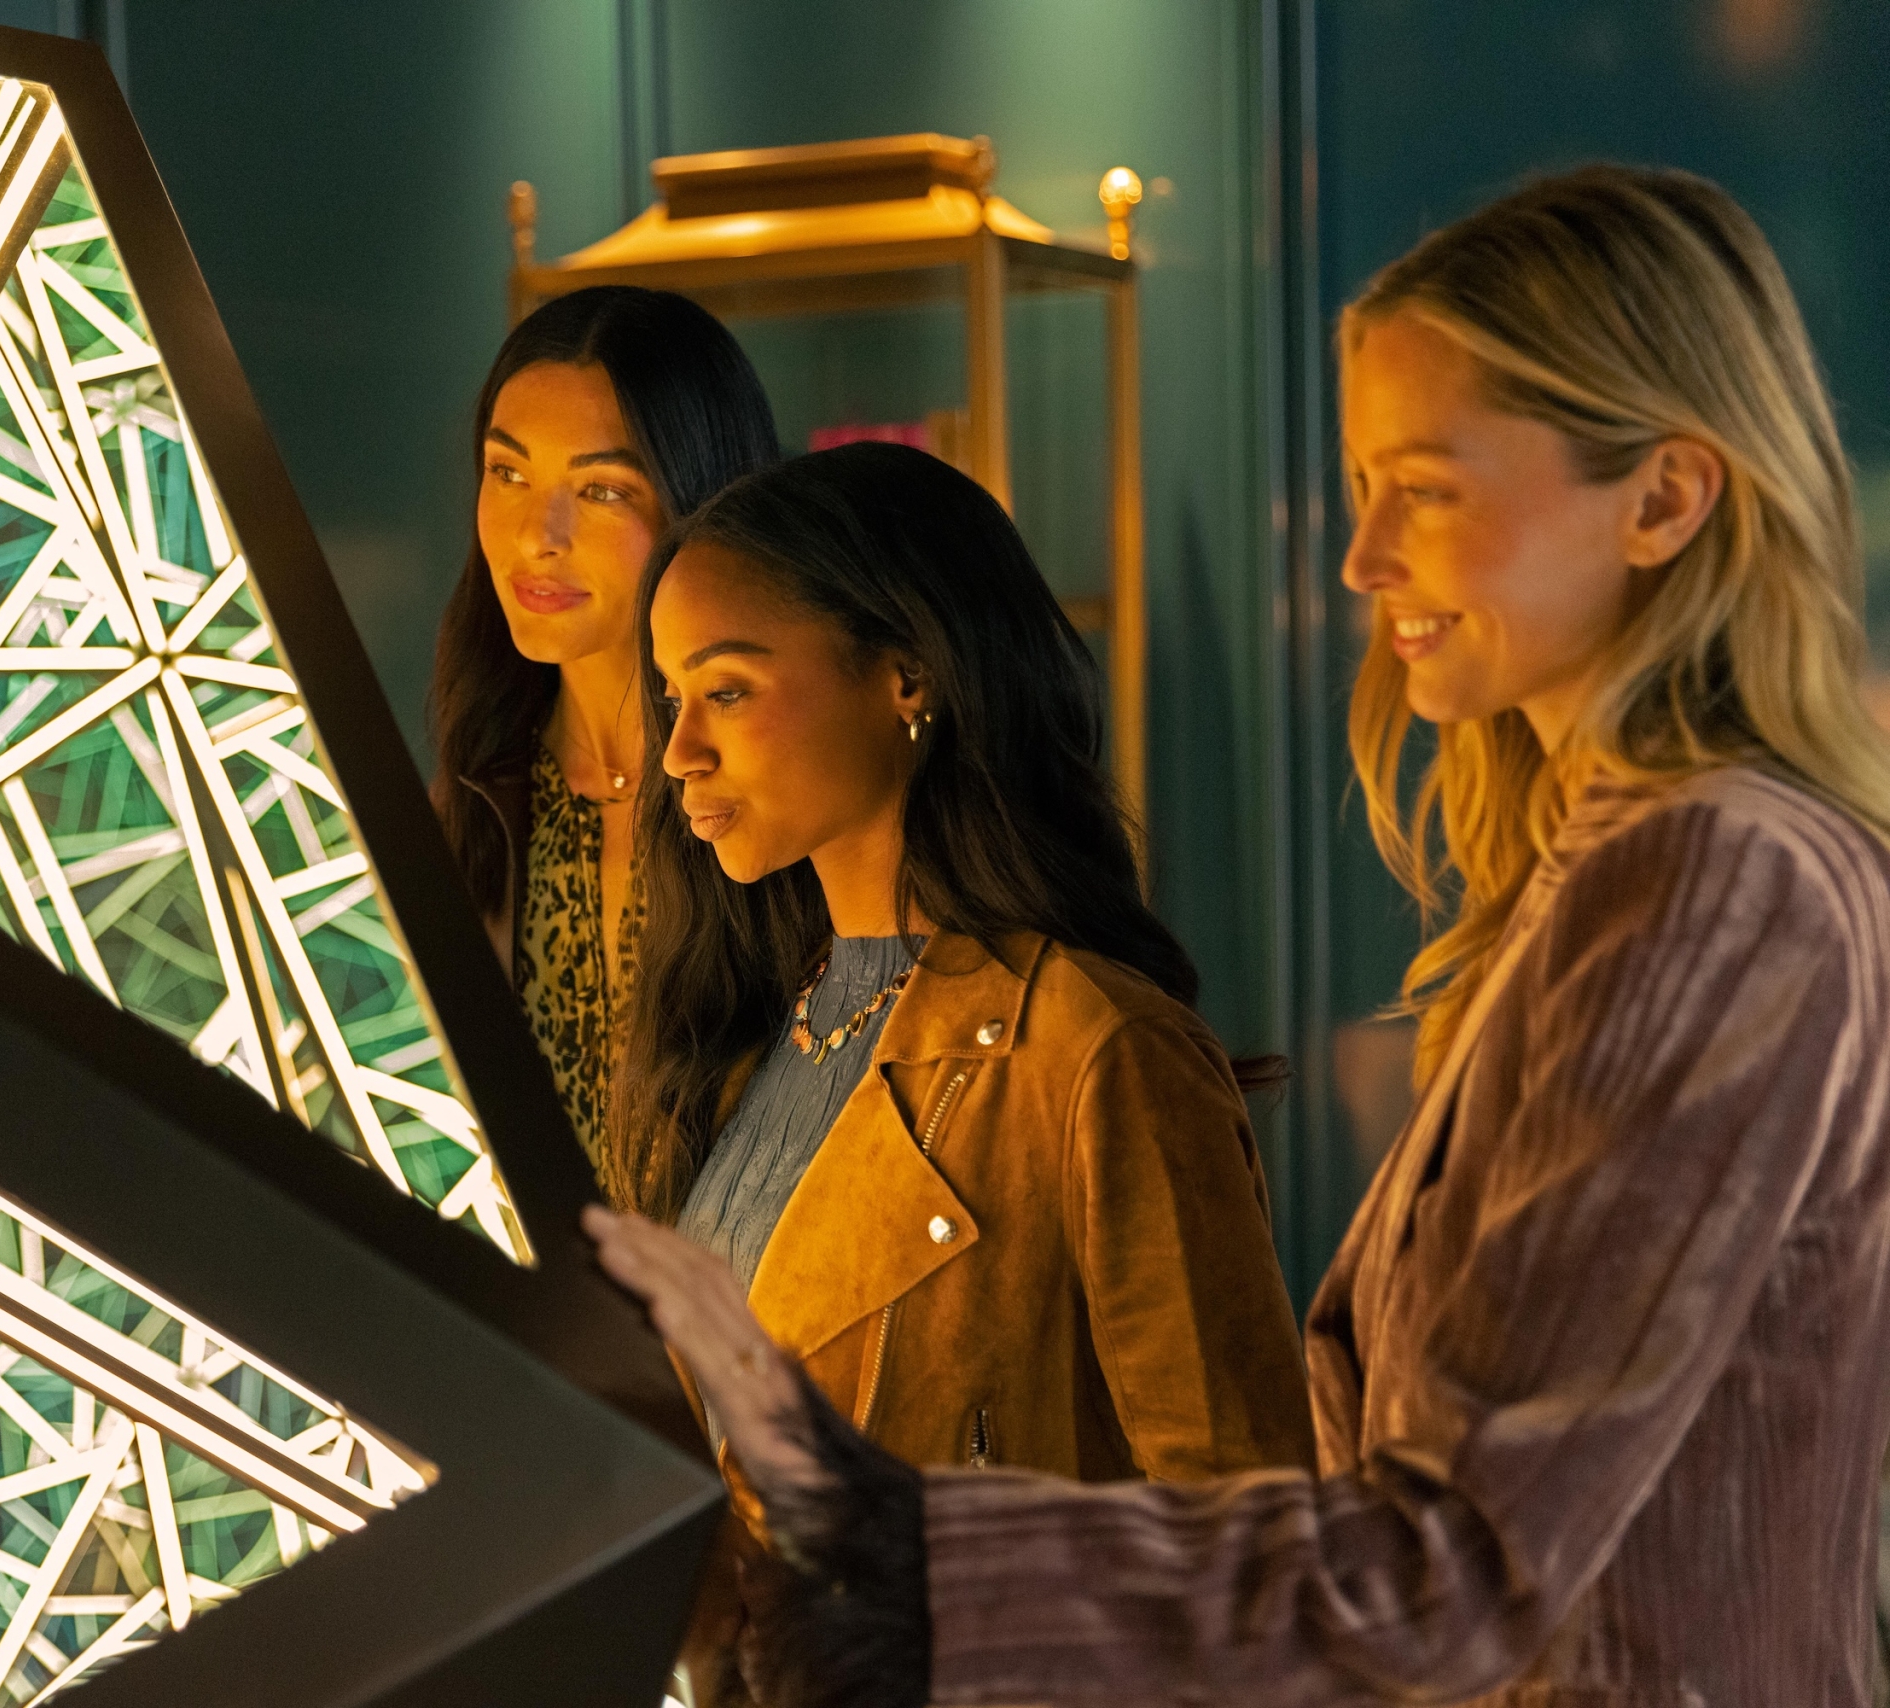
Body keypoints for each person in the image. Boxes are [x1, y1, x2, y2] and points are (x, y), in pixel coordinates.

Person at [589, 163, 1890, 1708]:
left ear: (1667, 498)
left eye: (1431, 489)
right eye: (1362, 491)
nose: (1362, 560)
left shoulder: (1714, 884)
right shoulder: (1619, 875)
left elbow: (1449, 1562)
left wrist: (893, 1561)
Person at [615, 442, 1314, 1699]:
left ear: (907, 677)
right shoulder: (741, 1046)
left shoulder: (1094, 1051)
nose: (677, 753)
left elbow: (1246, 1561)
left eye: (723, 690)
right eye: (668, 696)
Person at [430, 286, 778, 1172]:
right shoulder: (476, 797)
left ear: (696, 498)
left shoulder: (780, 796)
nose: (538, 535)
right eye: (507, 473)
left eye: (600, 490)